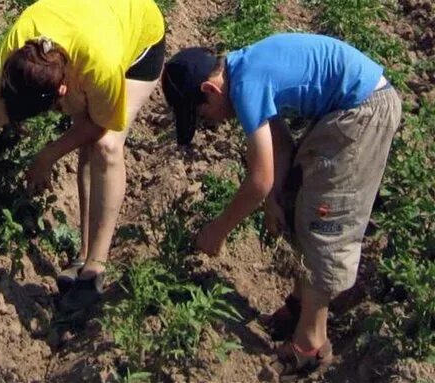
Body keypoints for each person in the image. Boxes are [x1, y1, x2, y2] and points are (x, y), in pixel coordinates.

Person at [161, 33, 401, 377]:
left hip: (363, 112)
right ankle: (301, 302)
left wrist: (218, 230)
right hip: (349, 108)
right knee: (300, 200)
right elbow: (281, 151)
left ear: (210, 91)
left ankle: (311, 343)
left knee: (325, 218)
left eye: (202, 114)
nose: (210, 122)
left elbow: (258, 179)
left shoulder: (245, 85)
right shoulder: (244, 67)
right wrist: (275, 200)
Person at [0, 0, 165, 308]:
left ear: (62, 92)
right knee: (86, 141)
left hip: (138, 29)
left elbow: (98, 125)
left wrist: (48, 155)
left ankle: (95, 271)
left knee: (105, 146)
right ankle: (83, 254)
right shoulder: (12, 60)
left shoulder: (98, 63)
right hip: (85, 9)